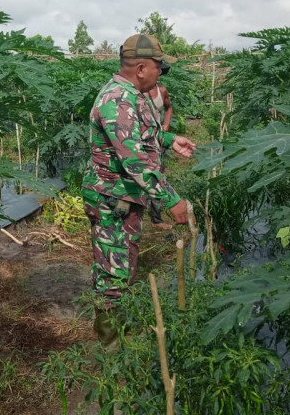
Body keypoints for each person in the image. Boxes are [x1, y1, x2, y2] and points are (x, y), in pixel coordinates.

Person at [81, 33, 196, 345]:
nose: (162, 73)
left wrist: (172, 140)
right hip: (111, 199)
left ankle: (117, 328)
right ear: (142, 67)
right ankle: (110, 343)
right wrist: (171, 200)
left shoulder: (134, 95)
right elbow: (134, 160)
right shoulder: (117, 100)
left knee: (124, 261)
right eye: (161, 67)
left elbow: (143, 135)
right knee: (113, 270)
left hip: (124, 198)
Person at [145, 82, 174, 229]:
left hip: (157, 141)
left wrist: (166, 124)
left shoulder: (162, 90)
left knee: (157, 175)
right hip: (139, 142)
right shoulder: (134, 92)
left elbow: (168, 108)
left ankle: (156, 219)